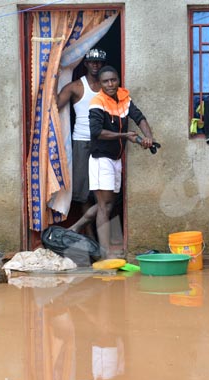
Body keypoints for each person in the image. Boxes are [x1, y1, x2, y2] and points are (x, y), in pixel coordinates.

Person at [69, 66, 155, 258]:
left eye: (113, 80)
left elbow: (139, 117)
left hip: (116, 159)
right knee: (103, 206)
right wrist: (125, 135)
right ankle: (105, 253)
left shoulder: (124, 98)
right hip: (101, 159)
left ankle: (75, 228)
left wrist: (148, 137)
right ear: (100, 84)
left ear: (118, 81)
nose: (110, 84)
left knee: (108, 204)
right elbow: (96, 132)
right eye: (106, 81)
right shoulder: (97, 102)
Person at [56, 48, 107, 236]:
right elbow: (53, 106)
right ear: (85, 63)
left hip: (104, 141)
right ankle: (91, 238)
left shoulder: (108, 86)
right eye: (92, 62)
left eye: (99, 62)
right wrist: (52, 77)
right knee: (84, 193)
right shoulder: (76, 87)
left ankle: (101, 238)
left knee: (105, 192)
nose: (95, 65)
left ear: (103, 64)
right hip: (82, 142)